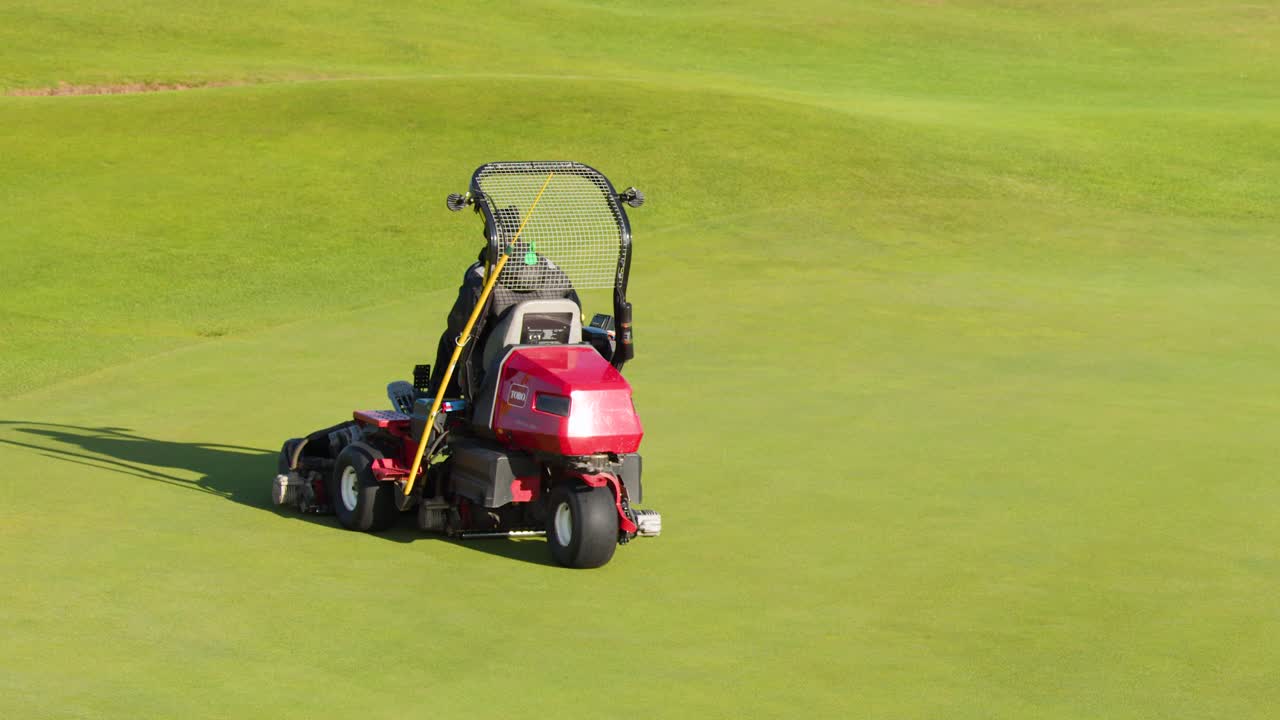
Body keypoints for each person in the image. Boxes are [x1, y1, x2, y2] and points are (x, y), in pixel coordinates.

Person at [430, 207, 579, 398]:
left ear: (489, 233)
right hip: (552, 362)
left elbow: (458, 326)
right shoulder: (556, 275)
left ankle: (437, 401)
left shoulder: (483, 279)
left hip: (496, 368)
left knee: (450, 340)